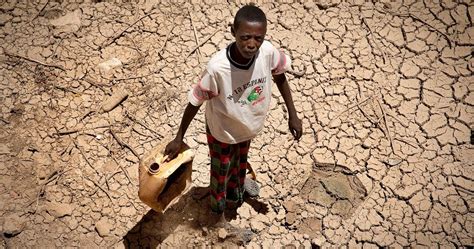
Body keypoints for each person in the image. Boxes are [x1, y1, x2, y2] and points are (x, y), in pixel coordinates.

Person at [164, 4, 302, 224]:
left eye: (258, 38)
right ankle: (217, 217)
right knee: (221, 174)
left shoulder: (267, 52)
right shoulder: (218, 68)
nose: (251, 44)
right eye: (245, 37)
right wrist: (179, 137)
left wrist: (292, 115)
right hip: (222, 132)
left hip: (246, 127)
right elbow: (195, 102)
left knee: (240, 162)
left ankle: (236, 195)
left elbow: (280, 76)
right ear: (233, 32)